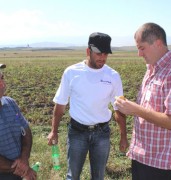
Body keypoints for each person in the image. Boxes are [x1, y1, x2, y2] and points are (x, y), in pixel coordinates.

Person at [47, 32, 129, 180]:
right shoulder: (72, 73)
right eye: (98, 53)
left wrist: (123, 136)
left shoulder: (113, 76)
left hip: (102, 133)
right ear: (88, 51)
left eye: (105, 54)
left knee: (98, 176)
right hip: (77, 132)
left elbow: (119, 108)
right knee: (73, 175)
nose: (102, 58)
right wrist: (54, 131)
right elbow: (60, 105)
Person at [115, 22, 171, 180]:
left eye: (142, 47)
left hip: (159, 163)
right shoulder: (151, 69)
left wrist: (136, 109)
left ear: (158, 43)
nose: (139, 54)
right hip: (142, 156)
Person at [0, 64, 36, 180]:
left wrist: (24, 159)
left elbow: (25, 130)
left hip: (17, 170)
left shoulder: (10, 103)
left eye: (2, 78)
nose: (2, 84)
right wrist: (21, 169)